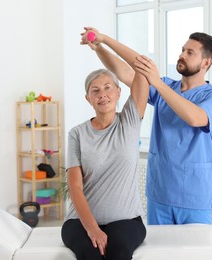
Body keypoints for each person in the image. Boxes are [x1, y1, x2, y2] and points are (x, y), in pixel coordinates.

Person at [80, 27, 212, 225]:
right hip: (160, 192)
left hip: (194, 196)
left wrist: (158, 83)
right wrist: (100, 46)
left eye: (190, 52)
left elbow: (196, 118)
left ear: (206, 62)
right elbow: (127, 72)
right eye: (183, 50)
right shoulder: (166, 88)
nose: (182, 55)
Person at [61, 62, 149, 258]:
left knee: (118, 254)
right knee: (89, 255)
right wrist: (92, 229)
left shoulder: (130, 121)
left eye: (108, 88)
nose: (102, 94)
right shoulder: (77, 134)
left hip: (126, 220)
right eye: (95, 90)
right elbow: (75, 187)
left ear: (119, 93)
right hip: (79, 222)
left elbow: (142, 75)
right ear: (88, 99)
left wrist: (102, 43)